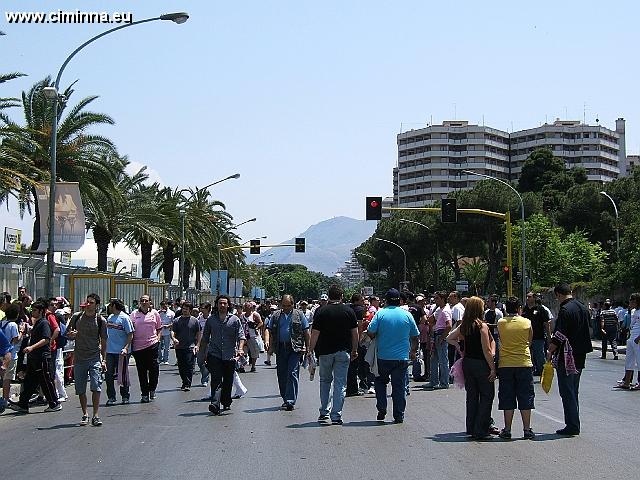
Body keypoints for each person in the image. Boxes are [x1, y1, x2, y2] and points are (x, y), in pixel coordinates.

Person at [308, 284, 358, 425]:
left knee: (325, 381)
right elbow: (355, 334)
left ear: (329, 296)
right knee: (340, 383)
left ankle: (324, 412)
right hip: (343, 352)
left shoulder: (321, 312)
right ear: (341, 296)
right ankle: (336, 415)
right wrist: (355, 349)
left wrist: (310, 350)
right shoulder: (348, 311)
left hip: (324, 352)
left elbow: (315, 333)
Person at [367, 288, 419, 423]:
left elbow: (371, 332)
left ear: (386, 300)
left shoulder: (380, 314)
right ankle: (399, 415)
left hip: (383, 357)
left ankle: (382, 408)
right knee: (399, 387)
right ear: (399, 301)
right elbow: (415, 336)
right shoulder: (407, 315)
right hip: (401, 358)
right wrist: (413, 351)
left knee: (380, 382)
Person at [446, 296, 496, 440]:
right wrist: (492, 368)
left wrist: (459, 347)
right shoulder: (482, 326)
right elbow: (486, 350)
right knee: (487, 396)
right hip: (481, 363)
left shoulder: (465, 325)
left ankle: (471, 426)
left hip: (467, 362)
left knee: (472, 396)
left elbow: (450, 337)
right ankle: (481, 429)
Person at [547, 283, 593, 436]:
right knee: (574, 390)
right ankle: (574, 422)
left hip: (567, 356)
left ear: (559, 295)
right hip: (580, 354)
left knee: (567, 391)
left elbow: (560, 334)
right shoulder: (582, 307)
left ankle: (572, 425)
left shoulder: (566, 310)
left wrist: (550, 350)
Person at [8, 300, 61, 414]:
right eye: (32, 310)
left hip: (41, 357)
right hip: (34, 358)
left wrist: (32, 347)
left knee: (45, 381)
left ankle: (54, 403)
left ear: (41, 311)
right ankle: (23, 404)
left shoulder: (44, 323)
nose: (33, 312)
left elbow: (46, 339)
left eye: (35, 310)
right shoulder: (37, 323)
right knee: (29, 381)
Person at [496, 296, 535, 440]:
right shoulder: (527, 322)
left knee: (507, 396)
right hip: (524, 362)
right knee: (526, 396)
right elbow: (529, 341)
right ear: (520, 308)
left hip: (506, 364)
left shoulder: (501, 323)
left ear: (506, 308)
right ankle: (526, 429)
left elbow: (500, 338)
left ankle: (507, 429)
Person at [66, 293, 107, 426]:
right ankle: (85, 414)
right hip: (79, 358)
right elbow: (67, 334)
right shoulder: (77, 317)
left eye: (91, 303)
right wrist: (71, 335)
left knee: (96, 386)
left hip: (94, 357)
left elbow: (104, 341)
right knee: (80, 388)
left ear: (96, 305)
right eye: (87, 302)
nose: (88, 304)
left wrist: (104, 360)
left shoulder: (101, 320)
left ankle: (96, 415)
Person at [200, 295, 245, 415]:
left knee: (228, 380)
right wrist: (203, 353)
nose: (222, 306)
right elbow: (205, 338)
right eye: (220, 303)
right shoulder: (211, 320)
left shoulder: (234, 319)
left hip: (230, 355)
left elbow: (241, 336)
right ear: (217, 305)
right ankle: (215, 403)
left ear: (228, 305)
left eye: (225, 303)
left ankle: (226, 401)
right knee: (216, 379)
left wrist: (240, 349)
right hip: (214, 354)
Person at [266, 294, 310, 411]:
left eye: (288, 305)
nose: (286, 308)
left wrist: (308, 348)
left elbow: (306, 332)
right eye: (284, 305)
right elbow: (270, 331)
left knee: (292, 372)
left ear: (293, 304)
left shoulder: (299, 315)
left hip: (295, 348)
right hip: (280, 348)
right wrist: (270, 347)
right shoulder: (276, 315)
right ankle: (285, 398)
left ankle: (290, 400)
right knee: (282, 374)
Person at [131, 295, 162, 403]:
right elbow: (130, 330)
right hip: (138, 347)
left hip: (152, 345)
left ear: (150, 302)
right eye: (142, 301)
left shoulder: (155, 313)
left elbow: (159, 328)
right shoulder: (134, 314)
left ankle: (152, 389)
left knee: (154, 369)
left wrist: (158, 339)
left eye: (146, 300)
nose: (144, 302)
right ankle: (144, 393)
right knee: (142, 371)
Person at [105, 298, 134, 406]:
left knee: (122, 374)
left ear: (114, 306)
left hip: (121, 352)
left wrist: (126, 347)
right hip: (109, 351)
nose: (108, 307)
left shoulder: (125, 318)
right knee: (108, 375)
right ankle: (111, 396)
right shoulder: (110, 317)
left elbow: (130, 334)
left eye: (110, 305)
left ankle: (125, 396)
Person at [171, 302, 200, 392]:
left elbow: (199, 333)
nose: (184, 310)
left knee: (189, 365)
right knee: (181, 366)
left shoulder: (195, 321)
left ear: (190, 310)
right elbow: (173, 331)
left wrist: (197, 345)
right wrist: (174, 339)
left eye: (186, 309)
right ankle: (184, 381)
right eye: (183, 309)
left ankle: (187, 383)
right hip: (179, 347)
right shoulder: (177, 320)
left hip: (190, 347)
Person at [614, 292, 640, 390]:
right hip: (631, 337)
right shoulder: (633, 311)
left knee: (639, 361)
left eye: (632, 301)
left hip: (638, 338)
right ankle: (627, 381)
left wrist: (638, 338)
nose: (630, 303)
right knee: (629, 361)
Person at [522, 292, 551, 376]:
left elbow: (546, 323)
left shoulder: (540, 309)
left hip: (538, 336)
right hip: (526, 337)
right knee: (528, 355)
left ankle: (542, 371)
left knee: (539, 355)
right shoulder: (525, 309)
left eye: (529, 297)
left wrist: (549, 336)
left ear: (534, 298)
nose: (527, 298)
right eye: (527, 297)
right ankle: (531, 370)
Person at [428, 291, 452, 390]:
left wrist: (442, 337)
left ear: (442, 299)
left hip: (441, 334)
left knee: (443, 361)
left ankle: (444, 382)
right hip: (437, 334)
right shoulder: (439, 309)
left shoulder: (445, 310)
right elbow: (430, 320)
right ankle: (434, 381)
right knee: (434, 359)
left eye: (437, 298)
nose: (435, 300)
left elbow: (449, 325)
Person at [1, 303, 22, 408]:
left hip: (2, 354)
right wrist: (22, 331)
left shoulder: (2, 323)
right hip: (11, 355)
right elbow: (16, 339)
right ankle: (5, 399)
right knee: (7, 378)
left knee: (3, 377)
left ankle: (5, 397)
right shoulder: (13, 325)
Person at [157, 301, 175, 365]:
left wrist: (168, 326)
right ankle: (159, 358)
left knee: (166, 347)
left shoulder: (171, 313)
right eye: (162, 305)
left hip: (167, 331)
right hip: (159, 332)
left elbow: (174, 322)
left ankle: (165, 359)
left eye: (165, 305)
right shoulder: (158, 312)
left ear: (167, 305)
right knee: (158, 346)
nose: (163, 307)